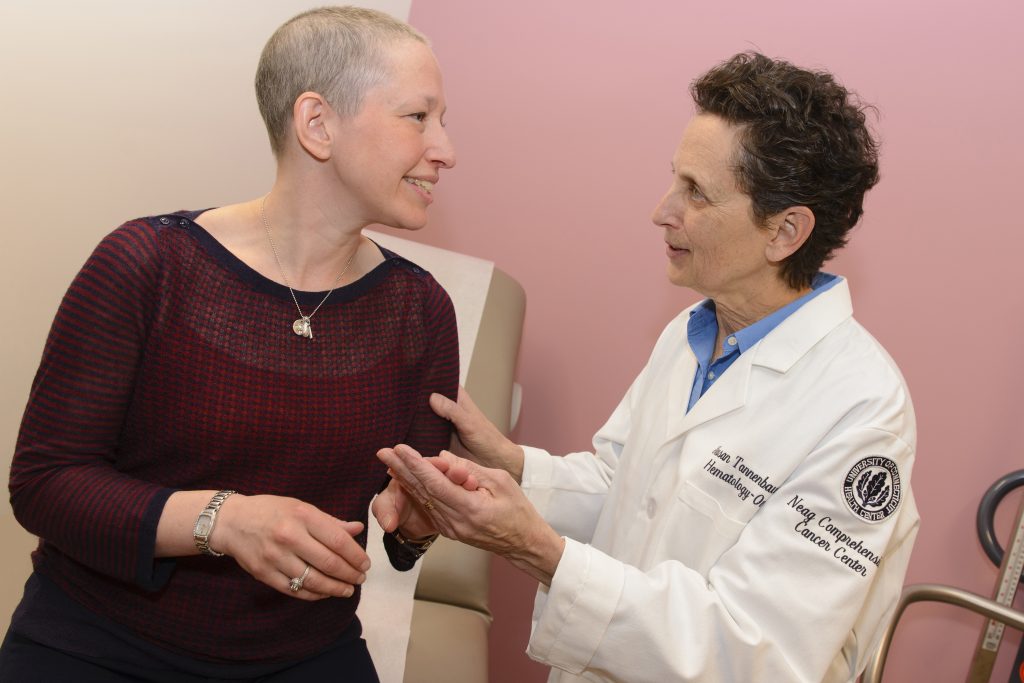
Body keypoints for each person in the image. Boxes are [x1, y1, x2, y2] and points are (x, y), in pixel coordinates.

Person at [375, 52, 919, 682]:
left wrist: (538, 550)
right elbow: (628, 489)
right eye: (674, 180)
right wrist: (509, 462)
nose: (662, 211)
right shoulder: (693, 334)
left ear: (785, 231)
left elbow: (756, 654)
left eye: (697, 193)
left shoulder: (862, 414)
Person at [3, 6, 456, 682]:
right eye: (418, 117)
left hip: (303, 653)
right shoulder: (146, 264)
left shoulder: (420, 310)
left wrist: (419, 522)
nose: (446, 148)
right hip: (97, 640)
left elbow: (401, 538)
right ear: (317, 123)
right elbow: (43, 485)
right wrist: (224, 520)